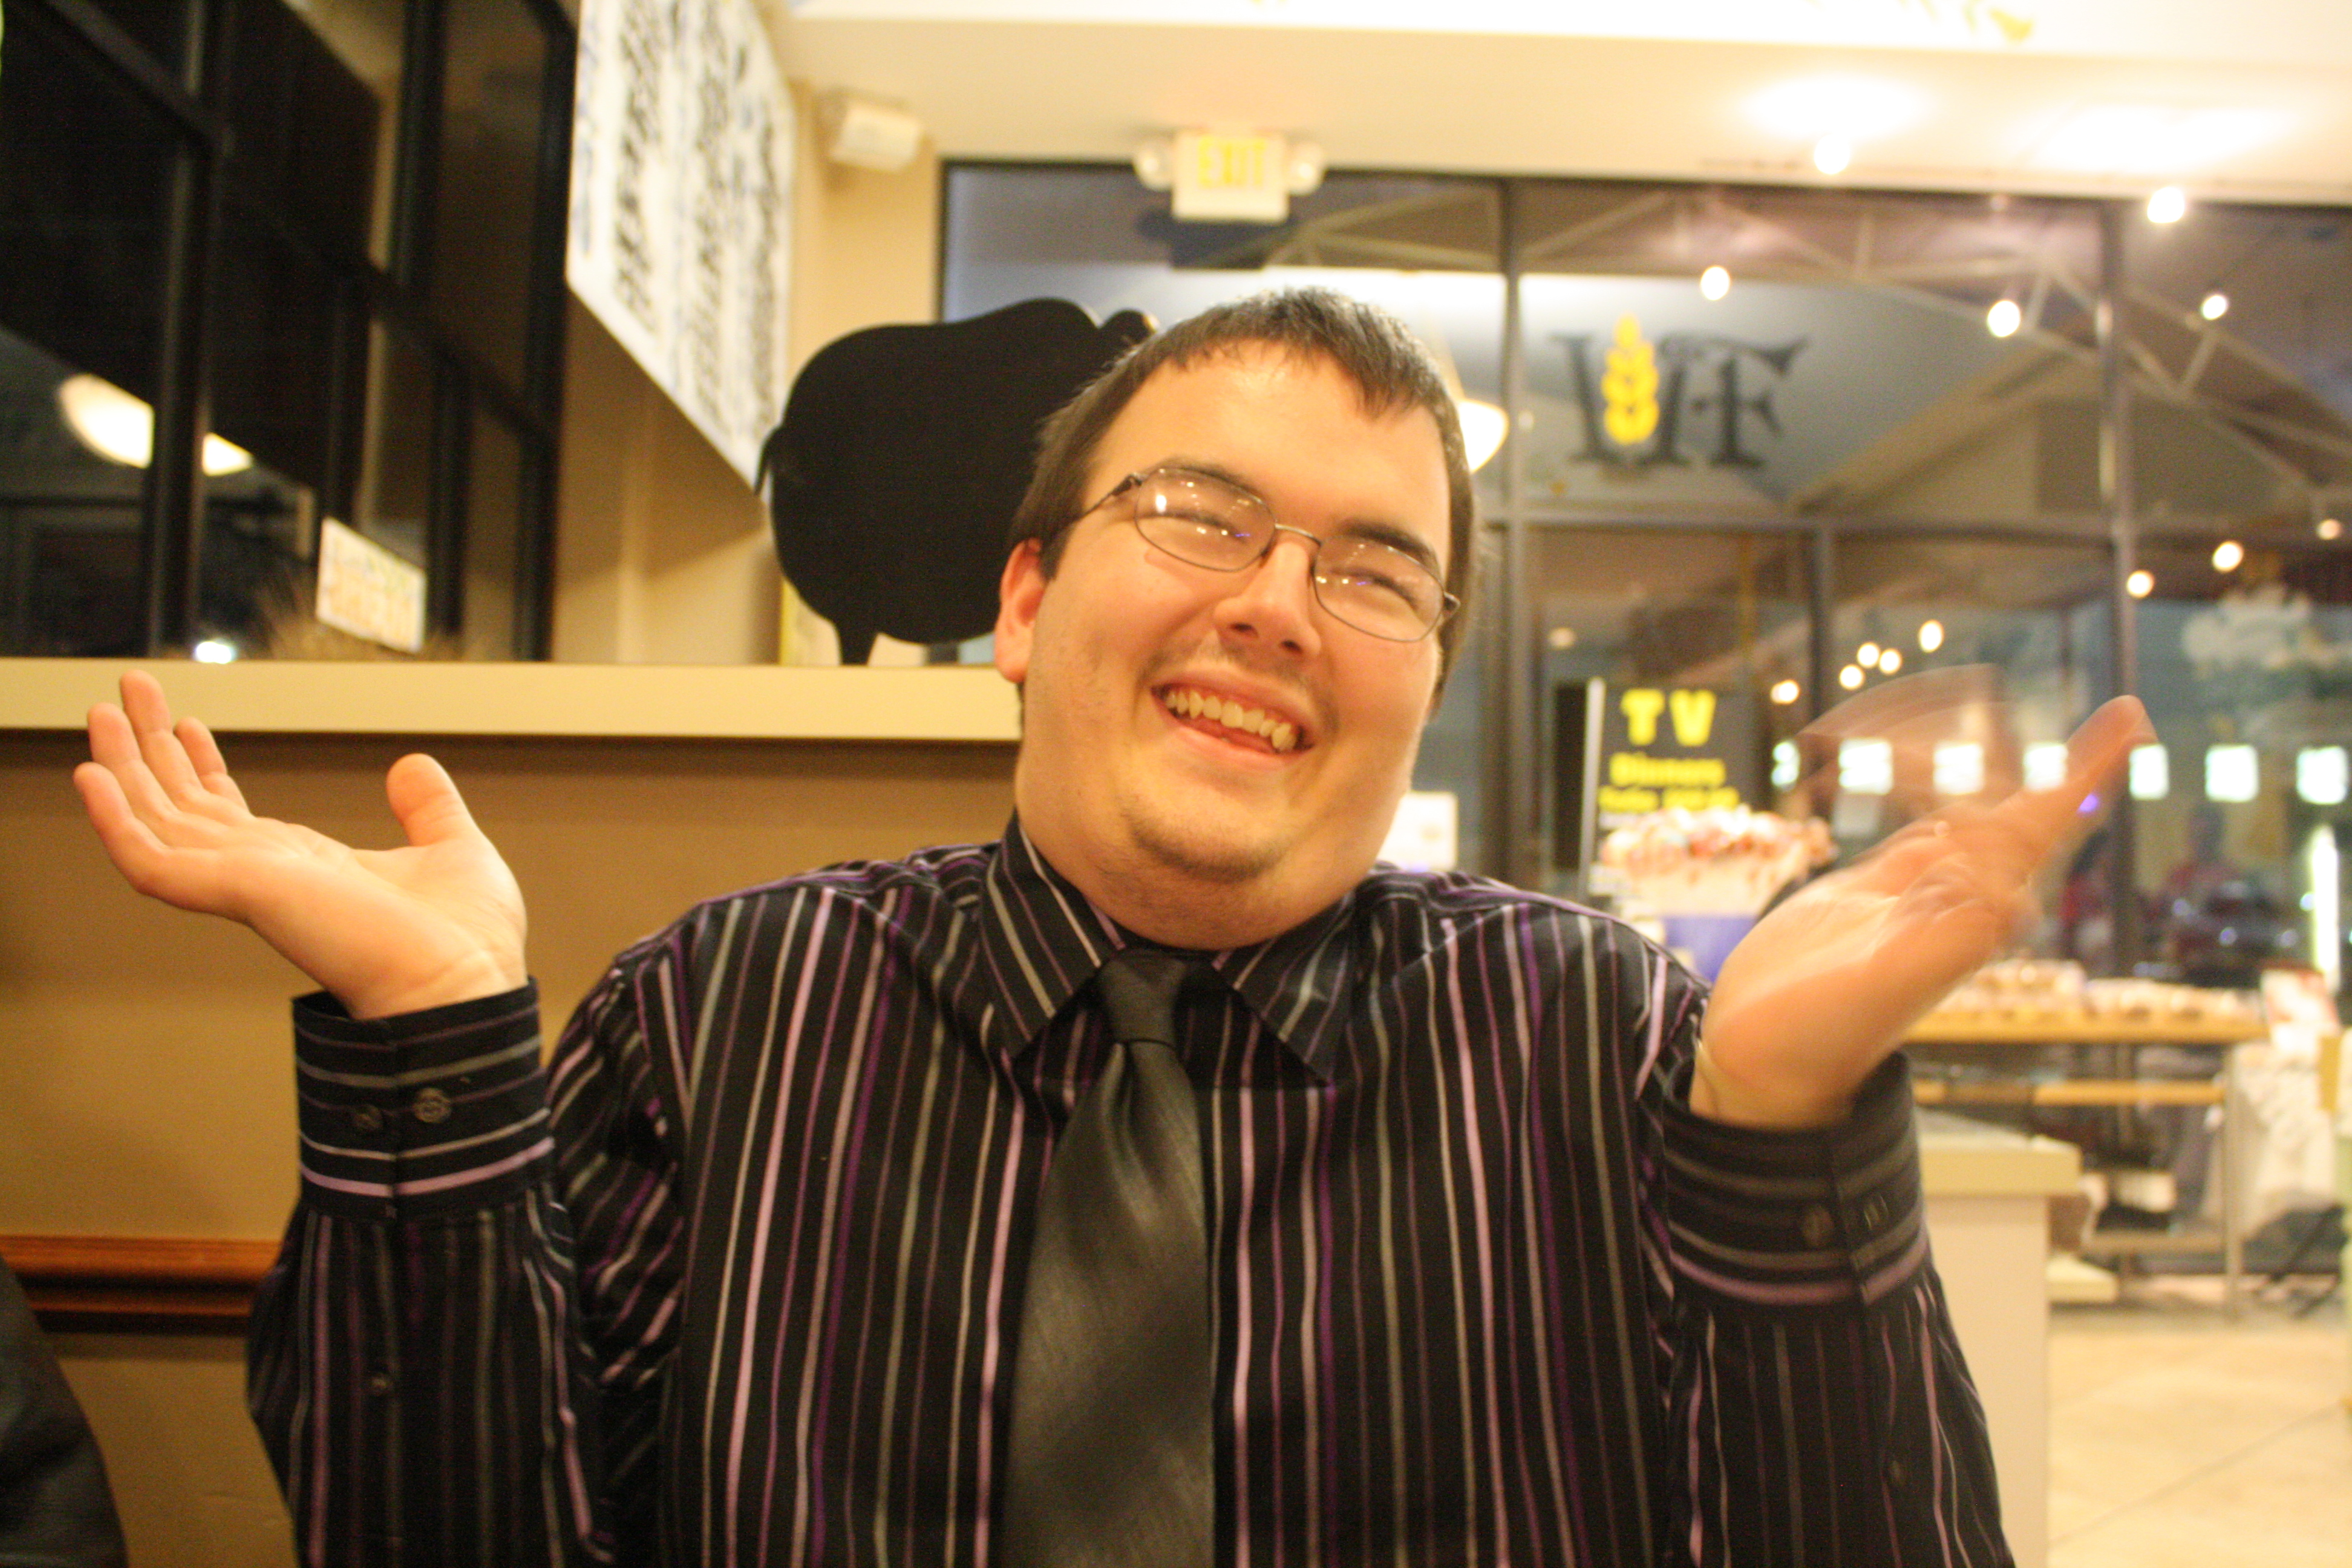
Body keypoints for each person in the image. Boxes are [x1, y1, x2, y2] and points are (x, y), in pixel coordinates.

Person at [74, 289, 2148, 1567]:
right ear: (1026, 601)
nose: (1276, 605)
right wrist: (435, 1041)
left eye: (1376, 572)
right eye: (1198, 515)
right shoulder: (728, 1012)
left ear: (1428, 675)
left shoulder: (1596, 1033)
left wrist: (1785, 1131)